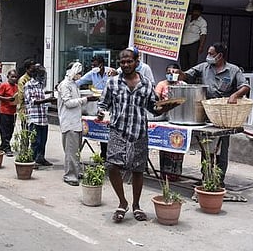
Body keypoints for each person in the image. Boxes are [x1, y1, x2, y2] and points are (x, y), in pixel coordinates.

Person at [97, 48, 176, 223]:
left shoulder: (147, 83)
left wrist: (166, 107)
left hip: (139, 131)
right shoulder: (112, 83)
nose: (125, 65)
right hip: (118, 130)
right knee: (112, 166)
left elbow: (153, 108)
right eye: (122, 62)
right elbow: (103, 104)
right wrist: (101, 113)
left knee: (138, 170)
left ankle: (136, 205)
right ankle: (122, 202)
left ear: (136, 61)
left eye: (129, 61)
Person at [181, 43, 250, 187]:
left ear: (220, 56)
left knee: (222, 148)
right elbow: (187, 75)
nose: (208, 56)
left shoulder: (233, 70)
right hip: (207, 112)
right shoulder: (204, 67)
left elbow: (245, 86)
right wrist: (177, 73)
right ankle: (206, 176)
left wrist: (235, 95)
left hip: (224, 115)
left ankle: (219, 179)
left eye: (211, 54)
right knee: (206, 146)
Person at [58, 62, 98, 186]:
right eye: (78, 73)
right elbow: (68, 103)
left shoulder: (74, 85)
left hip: (76, 122)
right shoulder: (64, 85)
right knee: (71, 150)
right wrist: (86, 99)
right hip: (69, 122)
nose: (80, 75)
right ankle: (70, 175)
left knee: (75, 150)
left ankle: (76, 171)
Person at [154, 63, 187, 181]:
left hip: (180, 118)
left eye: (174, 72)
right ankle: (165, 173)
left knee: (178, 145)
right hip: (165, 118)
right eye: (169, 72)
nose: (171, 74)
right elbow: (156, 97)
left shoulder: (183, 85)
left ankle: (175, 174)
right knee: (166, 144)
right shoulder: (162, 84)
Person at [76, 55, 111, 160]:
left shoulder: (110, 73)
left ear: (101, 65)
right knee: (101, 128)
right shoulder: (92, 74)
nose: (93, 67)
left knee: (109, 129)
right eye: (92, 65)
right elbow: (80, 81)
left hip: (110, 103)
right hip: (99, 103)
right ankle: (103, 154)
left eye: (95, 65)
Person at [24, 64, 57, 167]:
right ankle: (32, 160)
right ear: (36, 74)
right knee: (35, 141)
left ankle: (41, 158)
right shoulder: (29, 85)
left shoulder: (41, 85)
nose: (43, 76)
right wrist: (47, 100)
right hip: (34, 118)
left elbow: (42, 95)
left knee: (43, 141)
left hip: (43, 117)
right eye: (41, 74)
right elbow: (32, 101)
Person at [0, 69, 18, 157]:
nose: (14, 79)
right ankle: (6, 147)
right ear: (8, 77)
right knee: (4, 131)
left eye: (15, 77)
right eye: (12, 77)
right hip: (4, 111)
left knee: (10, 130)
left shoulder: (16, 87)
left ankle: (3, 145)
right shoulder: (4, 85)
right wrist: (7, 99)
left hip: (12, 112)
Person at [179, 4, 207, 71]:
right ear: (192, 11)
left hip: (193, 44)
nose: (196, 15)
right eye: (194, 12)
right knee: (183, 63)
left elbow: (203, 34)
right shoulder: (187, 18)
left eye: (198, 13)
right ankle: (184, 78)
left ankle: (191, 79)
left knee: (192, 63)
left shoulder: (202, 22)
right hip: (182, 44)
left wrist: (201, 47)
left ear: (200, 13)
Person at [17, 59, 36, 127]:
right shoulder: (22, 80)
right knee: (26, 128)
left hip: (34, 108)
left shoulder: (35, 78)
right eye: (31, 69)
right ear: (27, 69)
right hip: (25, 108)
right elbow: (22, 95)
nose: (33, 71)